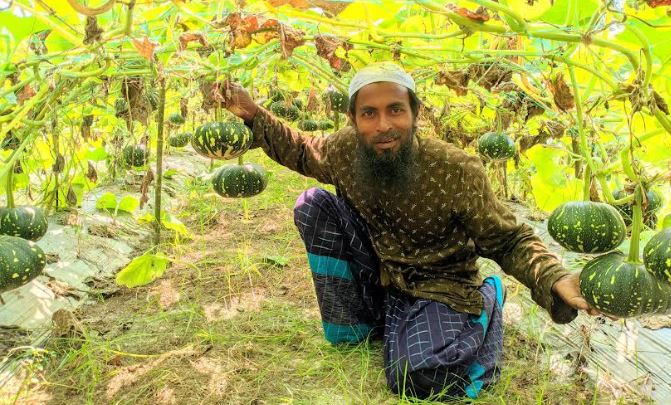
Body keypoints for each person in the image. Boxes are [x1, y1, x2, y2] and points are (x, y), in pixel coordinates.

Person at [217, 61, 599, 400]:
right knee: (312, 205)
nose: (383, 125)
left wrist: (554, 277)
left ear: (415, 113)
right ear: (353, 118)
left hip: (440, 283)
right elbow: (300, 150)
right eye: (369, 113)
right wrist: (251, 112)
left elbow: (507, 238)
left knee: (416, 378)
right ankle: (356, 324)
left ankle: (487, 302)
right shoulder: (345, 149)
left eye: (395, 110)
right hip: (382, 271)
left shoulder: (455, 169)